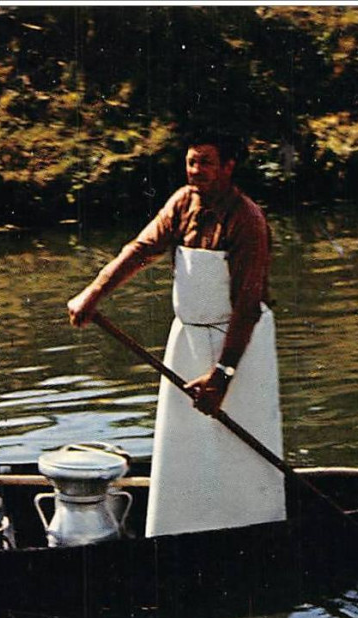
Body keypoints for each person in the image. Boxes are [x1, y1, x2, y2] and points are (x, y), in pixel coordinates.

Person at [67, 131, 285, 537]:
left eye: (205, 162)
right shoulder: (182, 202)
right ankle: (179, 530)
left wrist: (222, 375)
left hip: (239, 346)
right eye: (191, 162)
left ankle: (255, 529)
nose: (196, 171)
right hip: (187, 337)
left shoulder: (247, 219)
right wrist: (94, 292)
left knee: (240, 447)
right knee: (183, 443)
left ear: (228, 167)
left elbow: (247, 306)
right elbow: (140, 250)